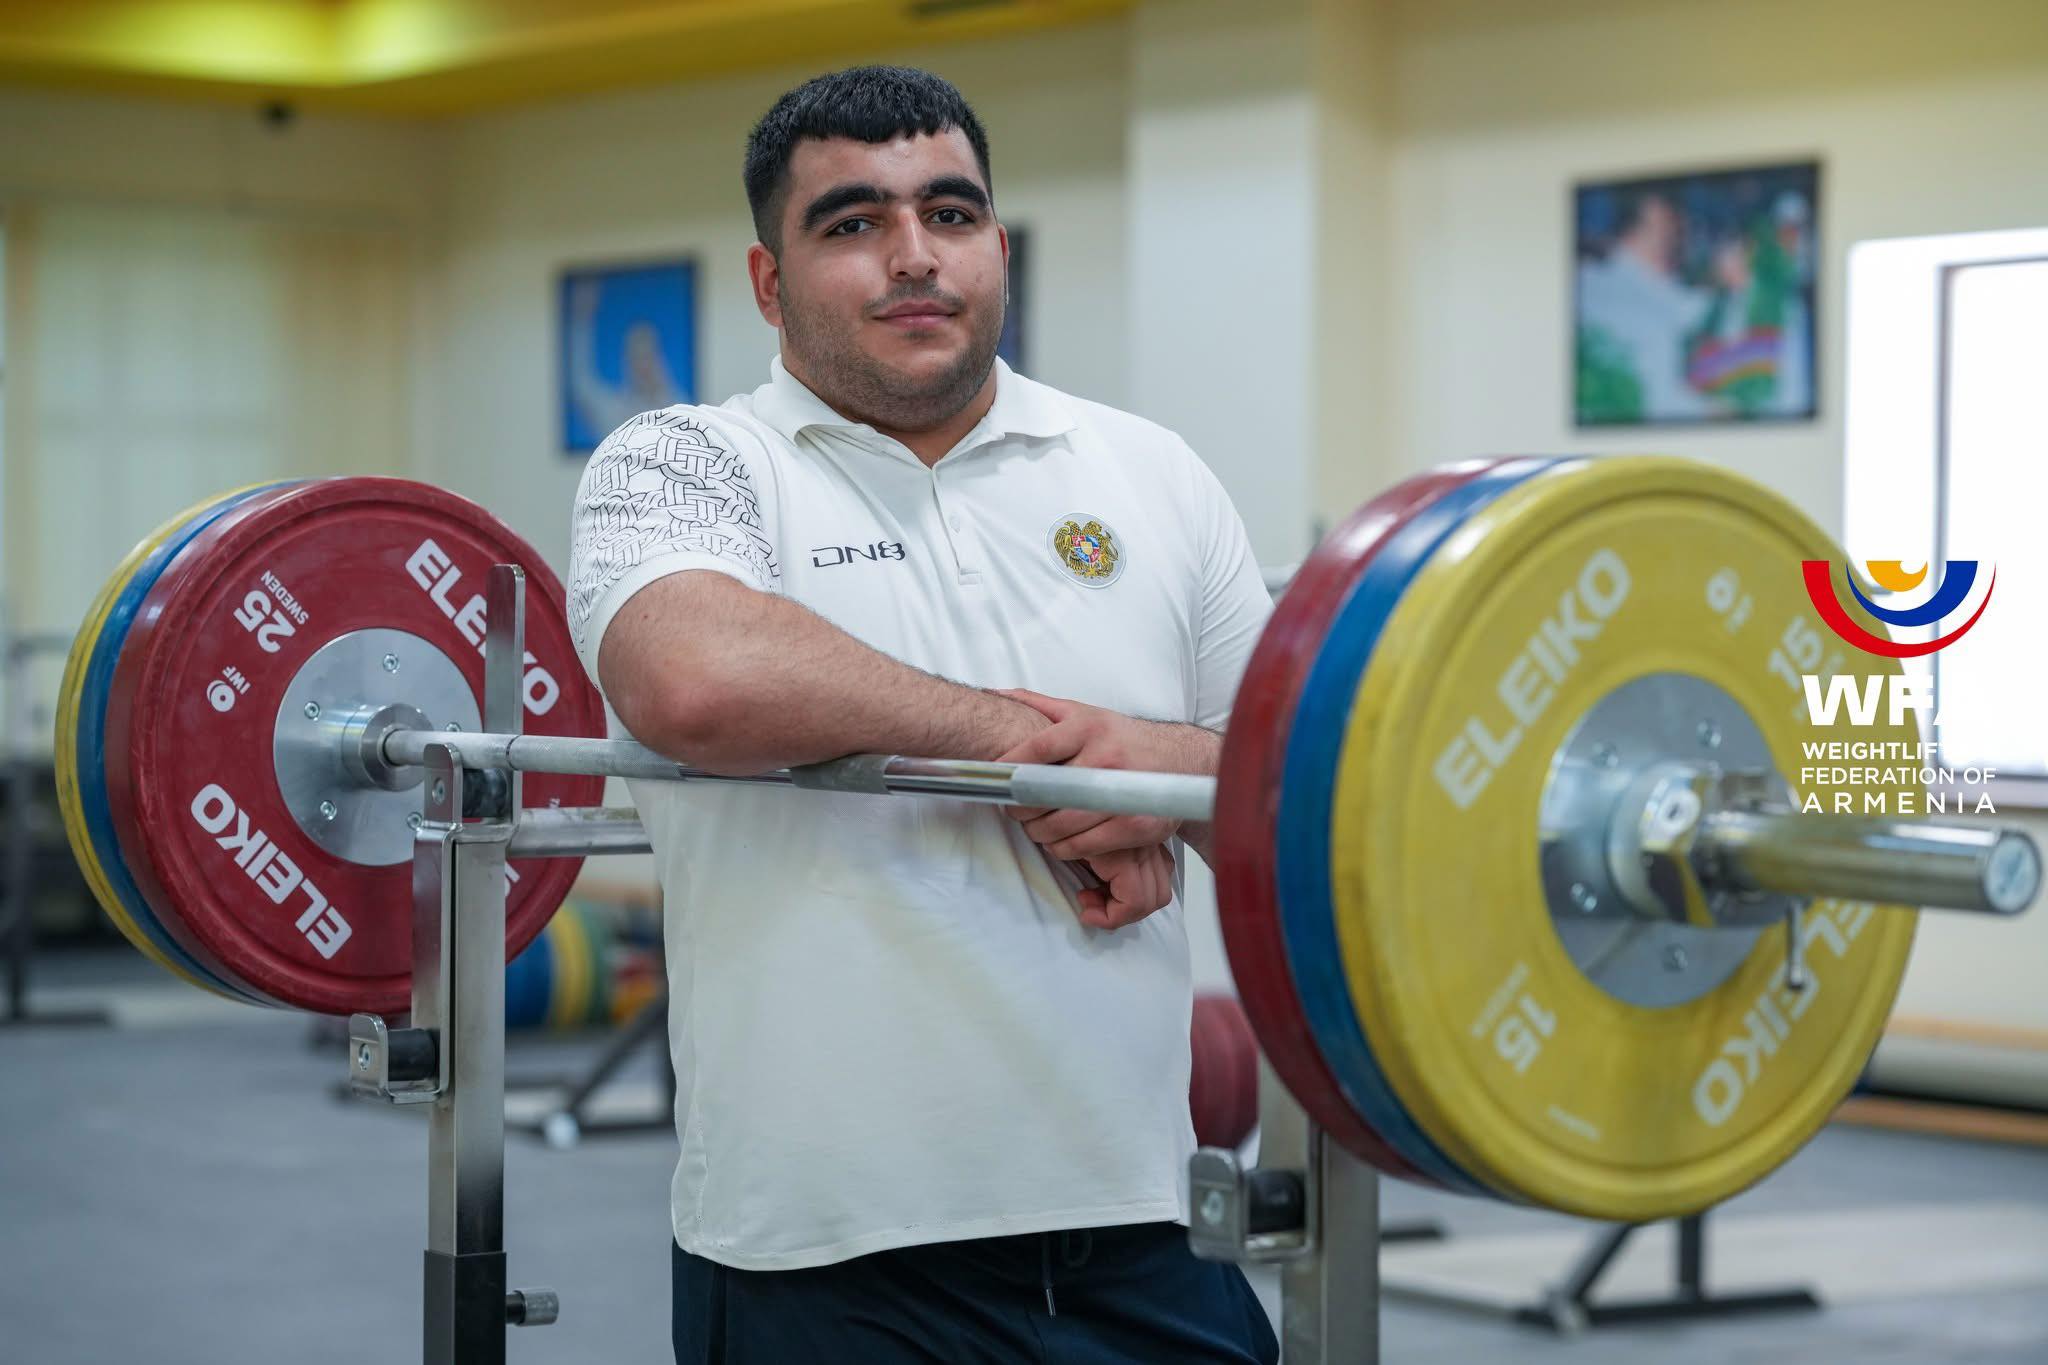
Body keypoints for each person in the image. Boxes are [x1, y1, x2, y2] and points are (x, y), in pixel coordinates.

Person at [567, 64, 1279, 1364]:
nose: (914, 257)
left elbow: (1293, 795)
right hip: (818, 1257)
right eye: (853, 223)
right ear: (769, 282)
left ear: (996, 243)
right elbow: (695, 679)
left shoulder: (1151, 472)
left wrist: (1159, 763)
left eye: (950, 214)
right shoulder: (686, 463)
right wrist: (1037, 756)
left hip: (1145, 1228)